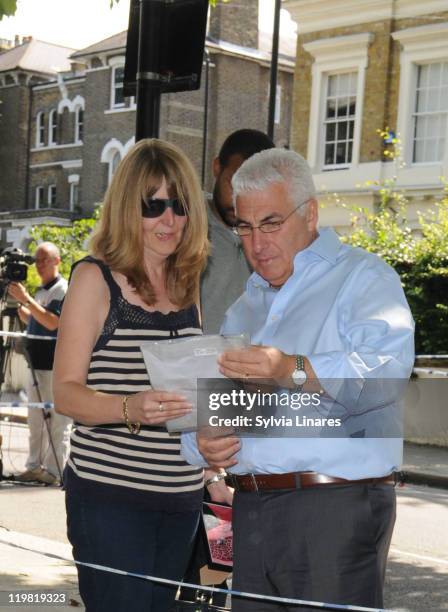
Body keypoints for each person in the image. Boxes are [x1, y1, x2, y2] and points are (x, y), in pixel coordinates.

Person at [181, 148, 415, 611]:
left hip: (334, 508)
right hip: (249, 508)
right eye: (243, 227)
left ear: (310, 214)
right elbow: (216, 407)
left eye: (270, 223)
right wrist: (203, 445)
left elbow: (386, 375)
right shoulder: (245, 304)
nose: (256, 243)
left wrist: (293, 367)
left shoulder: (363, 277)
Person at [53, 139, 222, 612]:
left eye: (180, 205)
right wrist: (130, 408)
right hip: (110, 498)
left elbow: (192, 397)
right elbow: (64, 392)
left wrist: (214, 466)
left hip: (181, 498)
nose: (169, 220)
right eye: (153, 205)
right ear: (129, 208)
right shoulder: (95, 278)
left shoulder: (188, 285)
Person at [201, 128, 274, 334]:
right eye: (233, 184)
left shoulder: (276, 238)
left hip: (251, 362)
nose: (238, 200)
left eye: (253, 188)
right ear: (217, 167)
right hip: (190, 360)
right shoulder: (184, 224)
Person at [8, 242, 70, 485]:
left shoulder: (61, 289)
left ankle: (55, 471)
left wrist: (27, 301)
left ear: (57, 261)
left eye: (45, 259)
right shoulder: (41, 290)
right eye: (37, 261)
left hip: (55, 364)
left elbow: (53, 322)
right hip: (36, 363)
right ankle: (34, 466)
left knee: (57, 421)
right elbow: (34, 317)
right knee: (35, 418)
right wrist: (19, 304)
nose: (40, 265)